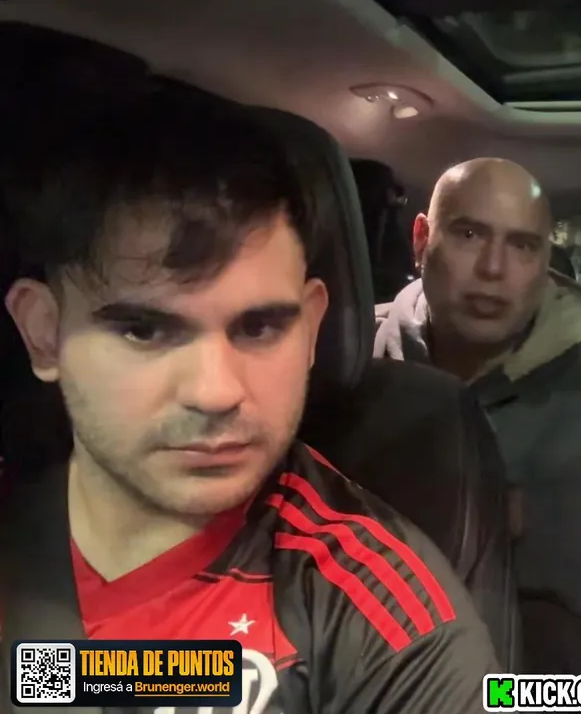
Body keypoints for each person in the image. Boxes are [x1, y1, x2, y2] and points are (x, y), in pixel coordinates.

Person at [1, 84, 497, 712]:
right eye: (144, 331)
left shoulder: (391, 631)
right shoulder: (19, 525)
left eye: (260, 328)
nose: (216, 393)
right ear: (44, 335)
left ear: (311, 329)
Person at [373, 158, 581, 672]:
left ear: (545, 261)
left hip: (540, 644)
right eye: (469, 234)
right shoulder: (359, 350)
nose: (494, 269)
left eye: (522, 245)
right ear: (421, 240)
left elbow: (560, 583)